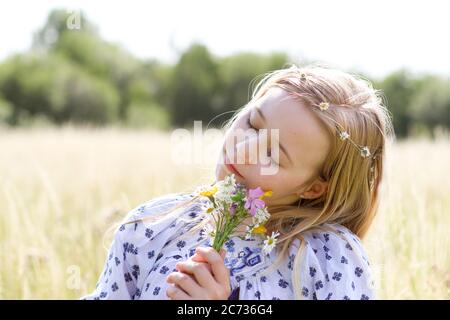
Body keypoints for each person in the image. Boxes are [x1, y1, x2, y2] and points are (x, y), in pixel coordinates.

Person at [82, 64, 394, 300]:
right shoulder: (153, 225)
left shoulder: (326, 256)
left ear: (313, 187)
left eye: (272, 155)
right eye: (253, 124)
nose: (243, 150)